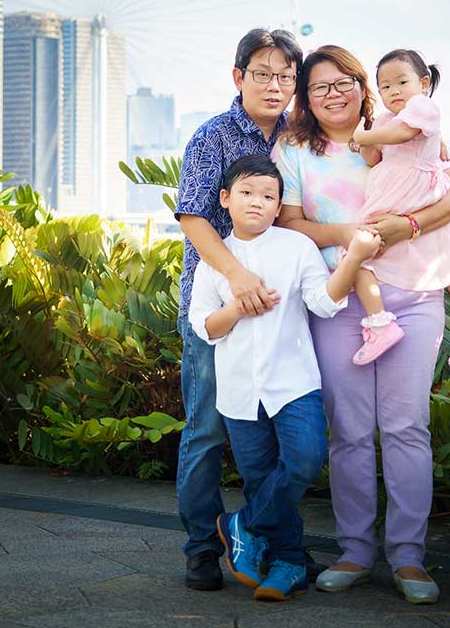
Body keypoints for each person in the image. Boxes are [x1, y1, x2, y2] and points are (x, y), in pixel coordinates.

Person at [272, 44, 450, 604]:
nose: (333, 94)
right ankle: (356, 550)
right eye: (319, 87)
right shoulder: (294, 149)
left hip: (412, 295)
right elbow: (289, 220)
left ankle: (409, 558)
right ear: (306, 99)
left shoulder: (401, 127)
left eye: (344, 83)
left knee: (407, 426)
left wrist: (404, 225)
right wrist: (354, 240)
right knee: (351, 432)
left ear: (363, 87)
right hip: (339, 299)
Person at [189, 155, 381, 602]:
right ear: (226, 199)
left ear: (279, 207)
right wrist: (237, 307)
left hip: (294, 382)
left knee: (304, 460)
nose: (257, 202)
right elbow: (206, 327)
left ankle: (245, 525)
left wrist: (352, 259)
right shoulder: (214, 260)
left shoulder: (296, 247)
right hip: (239, 392)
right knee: (260, 479)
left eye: (268, 196)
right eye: (247, 193)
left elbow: (324, 303)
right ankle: (288, 563)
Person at [175, 27, 319, 592]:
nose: (276, 84)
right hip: (217, 307)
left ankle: (270, 543)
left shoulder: (299, 136)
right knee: (207, 431)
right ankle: (202, 550)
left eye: (286, 76)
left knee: (284, 447)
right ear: (238, 77)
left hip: (284, 315)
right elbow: (193, 217)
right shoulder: (213, 136)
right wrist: (236, 279)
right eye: (263, 73)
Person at [346, 48, 450, 368]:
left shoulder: (423, 108)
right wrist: (366, 141)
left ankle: (381, 323)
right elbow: (374, 158)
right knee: (445, 260)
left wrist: (363, 133)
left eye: (401, 81)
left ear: (424, 82)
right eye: (385, 87)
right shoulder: (388, 119)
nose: (394, 91)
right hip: (400, 193)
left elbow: (404, 133)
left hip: (410, 193)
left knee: (358, 255)